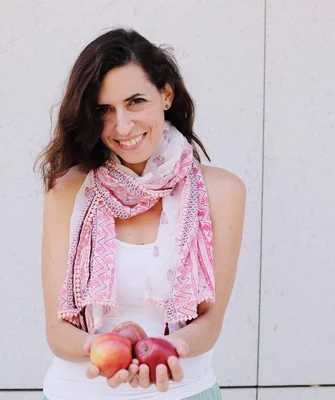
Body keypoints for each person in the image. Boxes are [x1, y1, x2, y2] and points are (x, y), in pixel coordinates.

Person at [36, 27, 246, 400]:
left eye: (135, 102)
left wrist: (161, 356)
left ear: (166, 94)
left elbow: (210, 321)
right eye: (104, 110)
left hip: (183, 391)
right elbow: (57, 330)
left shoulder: (222, 191)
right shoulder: (69, 190)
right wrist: (106, 353)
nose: (122, 125)